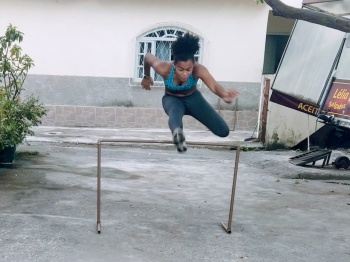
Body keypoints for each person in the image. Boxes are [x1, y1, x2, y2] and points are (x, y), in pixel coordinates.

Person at [141, 32, 238, 152]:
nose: (185, 73)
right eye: (180, 69)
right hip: (172, 99)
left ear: (193, 65)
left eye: (188, 70)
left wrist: (224, 95)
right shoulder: (164, 68)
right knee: (175, 114)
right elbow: (147, 57)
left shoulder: (199, 70)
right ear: (174, 65)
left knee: (223, 131)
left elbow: (214, 86)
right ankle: (178, 135)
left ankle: (179, 133)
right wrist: (146, 76)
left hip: (193, 99)